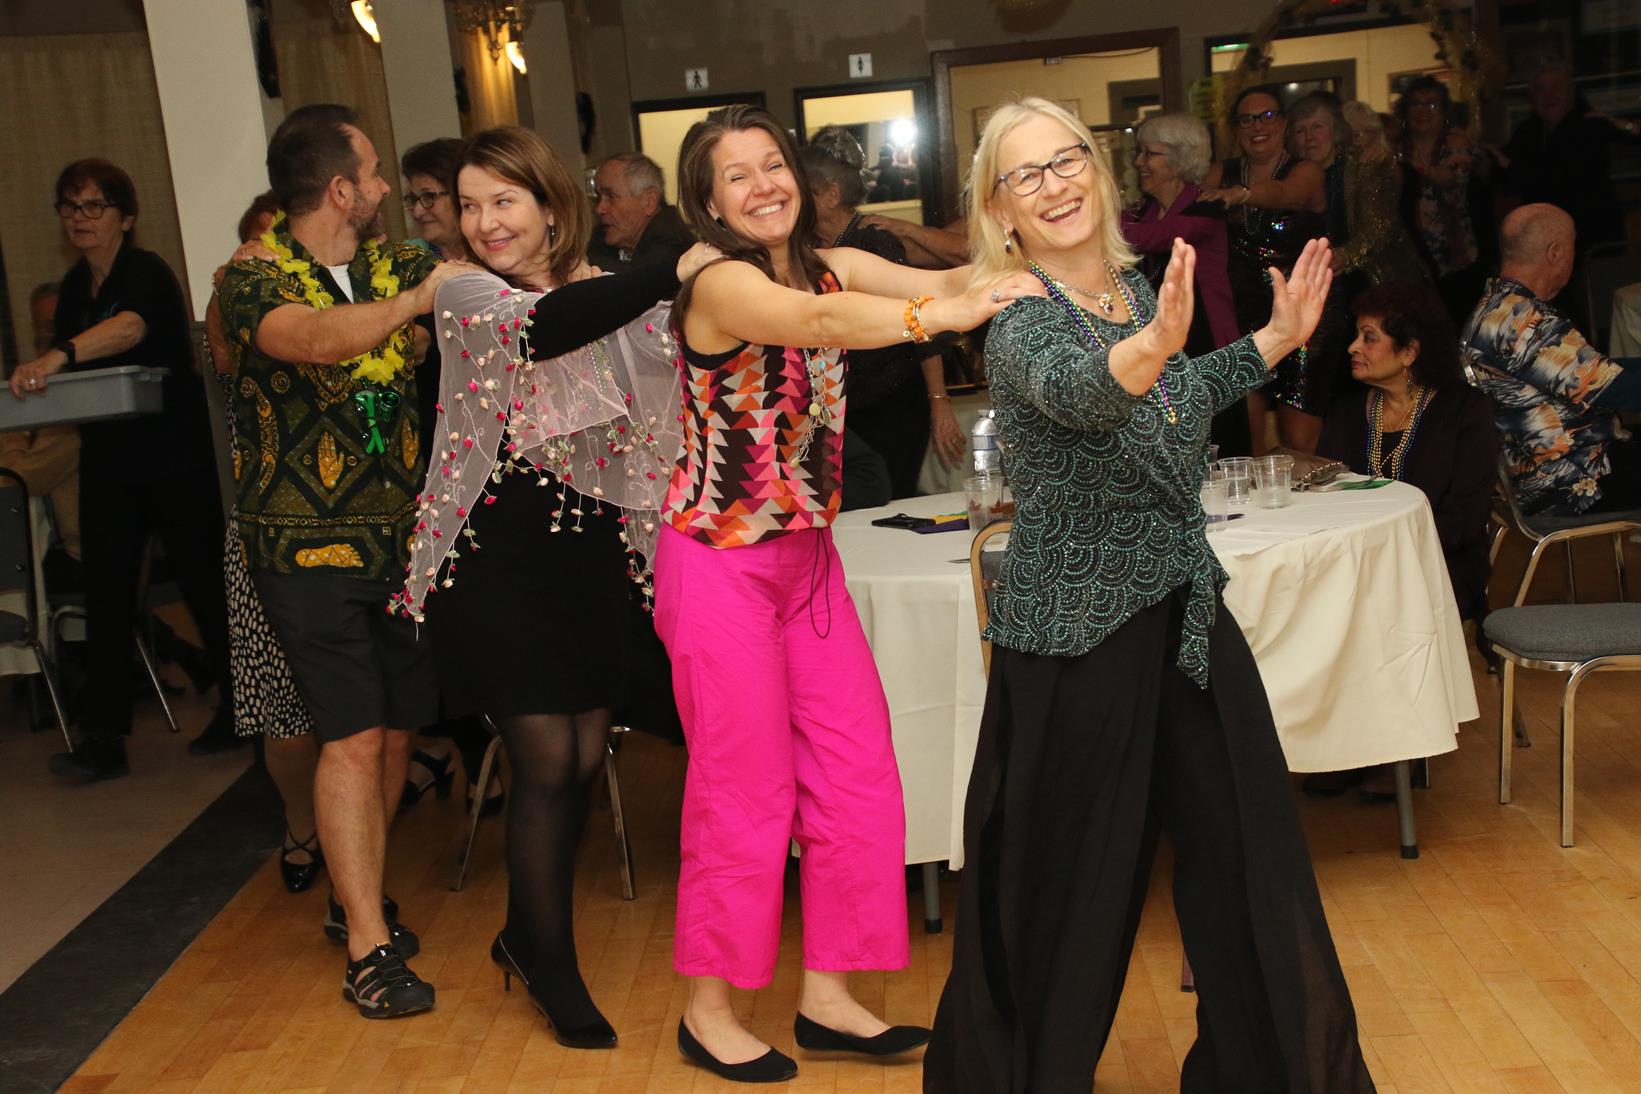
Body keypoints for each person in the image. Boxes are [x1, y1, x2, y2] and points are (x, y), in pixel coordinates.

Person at [923, 97, 1371, 1092]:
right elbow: (1090, 392)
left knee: (1247, 854)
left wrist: (1272, 340)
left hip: (1183, 615)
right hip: (1078, 641)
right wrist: (1152, 346)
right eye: (1025, 174)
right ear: (999, 210)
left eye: (1067, 159)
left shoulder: (1130, 287)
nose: (1054, 184)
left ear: (1098, 169)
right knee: (1057, 899)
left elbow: (1171, 395)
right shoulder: (1017, 318)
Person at [655, 103, 1038, 1083]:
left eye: (772, 164)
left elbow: (948, 280)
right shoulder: (718, 282)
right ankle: (708, 1011)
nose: (762, 185)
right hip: (720, 564)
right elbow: (819, 325)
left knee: (858, 773)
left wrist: (1018, 251)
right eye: (736, 175)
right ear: (709, 203)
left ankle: (827, 996)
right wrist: (938, 320)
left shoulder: (829, 262)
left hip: (808, 563)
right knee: (744, 794)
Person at [395, 125, 704, 1050]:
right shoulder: (463, 291)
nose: (484, 222)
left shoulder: (601, 289)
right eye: (469, 205)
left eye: (504, 201)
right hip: (492, 559)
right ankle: (551, 966)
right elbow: (544, 330)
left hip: (586, 556)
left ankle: (522, 935)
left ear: (547, 203)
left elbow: (664, 383)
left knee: (580, 755)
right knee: (542, 757)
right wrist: (675, 265)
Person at [216, 103, 469, 1018]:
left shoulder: (393, 262)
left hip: (401, 541)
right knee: (353, 734)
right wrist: (412, 310)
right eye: (372, 174)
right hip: (303, 549)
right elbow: (313, 340)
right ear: (338, 188)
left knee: (396, 730)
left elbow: (471, 293)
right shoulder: (250, 278)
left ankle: (351, 895)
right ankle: (368, 946)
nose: (387, 189)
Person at [11, 158, 237, 778]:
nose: (80, 218)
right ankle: (102, 740)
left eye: (94, 206)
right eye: (70, 206)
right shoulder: (73, 288)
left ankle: (242, 710)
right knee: (104, 593)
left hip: (174, 456)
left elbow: (131, 328)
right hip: (109, 461)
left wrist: (59, 355)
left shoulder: (147, 271)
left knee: (203, 584)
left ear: (126, 217)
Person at [202, 192, 324, 893]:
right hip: (263, 535)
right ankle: (299, 823)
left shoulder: (347, 305)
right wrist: (231, 288)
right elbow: (223, 357)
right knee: (288, 722)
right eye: (259, 243)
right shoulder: (233, 307)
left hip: (356, 530)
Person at [396, 136, 498, 819]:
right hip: (435, 469)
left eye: (432, 196)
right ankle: (471, 752)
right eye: (414, 199)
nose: (421, 210)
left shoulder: (495, 273)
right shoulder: (410, 275)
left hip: (491, 470)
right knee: (444, 625)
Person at [800, 126, 965, 491]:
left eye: (802, 192)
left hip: (894, 404)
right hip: (841, 407)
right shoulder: (805, 247)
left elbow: (921, 321)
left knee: (888, 494)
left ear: (831, 195)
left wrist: (939, 402)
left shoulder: (874, 241)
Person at [1320, 282, 1497, 619]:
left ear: (1409, 352)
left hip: (1438, 562)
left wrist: (1383, 549)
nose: (1352, 347)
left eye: (1369, 338)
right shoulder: (1346, 413)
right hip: (1356, 558)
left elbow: (1464, 520)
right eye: (1357, 335)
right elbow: (1326, 500)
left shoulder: (1465, 412)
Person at [1463, 203, 1641, 517]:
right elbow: (1616, 389)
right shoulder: (1524, 321)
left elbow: (1600, 372)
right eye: (1574, 245)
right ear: (1556, 252)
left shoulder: (1498, 305)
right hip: (1572, 481)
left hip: (1554, 467)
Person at [1201, 86, 1330, 453]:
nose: (1258, 126)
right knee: (1248, 444)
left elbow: (1288, 194)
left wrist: (1239, 195)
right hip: (1241, 317)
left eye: (1267, 116)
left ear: (1284, 123)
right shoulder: (1219, 173)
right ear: (1236, 129)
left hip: (1302, 315)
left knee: (1298, 443)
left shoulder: (1306, 170)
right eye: (1247, 119)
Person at [1122, 112, 1249, 455]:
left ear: (1179, 162)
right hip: (1159, 344)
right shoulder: (1139, 213)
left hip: (1206, 343)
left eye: (1150, 153)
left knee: (1220, 448)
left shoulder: (1206, 207)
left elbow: (1158, 237)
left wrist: (1097, 227)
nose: (1139, 162)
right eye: (1140, 152)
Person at [1500, 60, 1639, 258]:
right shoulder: (1528, 132)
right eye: (1541, 89)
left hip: (1595, 235)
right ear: (1532, 98)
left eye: (1556, 87)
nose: (1549, 96)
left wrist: (1622, 124)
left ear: (1571, 91)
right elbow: (1506, 175)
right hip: (1545, 240)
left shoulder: (1591, 123)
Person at [1394, 77, 1483, 325]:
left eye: (1431, 104)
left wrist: (1413, 168)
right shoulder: (1397, 146)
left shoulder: (1456, 142)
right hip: (1412, 257)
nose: (1422, 110)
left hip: (1455, 256)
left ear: (1444, 111)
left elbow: (1453, 178)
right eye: (1415, 104)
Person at [587, 151, 695, 271]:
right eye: (598, 198)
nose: (599, 209)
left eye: (611, 196)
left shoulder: (675, 249)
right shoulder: (598, 241)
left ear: (649, 202)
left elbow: (644, 277)